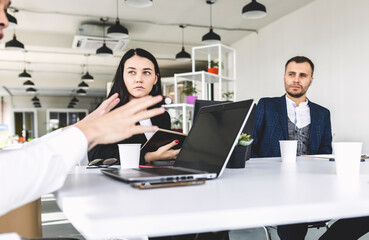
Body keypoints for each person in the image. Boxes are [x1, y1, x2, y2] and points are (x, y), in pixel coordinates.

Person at [252, 56, 333, 240]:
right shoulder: (266, 105)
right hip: (273, 183)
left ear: (311, 80)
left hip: (309, 183)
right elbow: (251, 145)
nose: (296, 79)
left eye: (303, 75)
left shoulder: (322, 113)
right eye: (292, 74)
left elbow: (326, 152)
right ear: (284, 77)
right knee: (293, 211)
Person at [88, 48, 180, 165]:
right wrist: (147, 157)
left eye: (146, 72)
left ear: (155, 79)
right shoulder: (107, 111)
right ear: (122, 76)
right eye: (131, 72)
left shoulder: (162, 115)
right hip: (119, 180)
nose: (138, 79)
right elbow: (96, 156)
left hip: (158, 178)